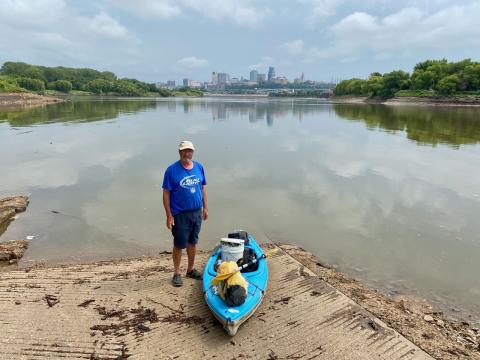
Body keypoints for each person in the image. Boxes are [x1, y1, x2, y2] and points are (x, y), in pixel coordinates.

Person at [162, 140, 208, 287]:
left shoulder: (199, 167)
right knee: (179, 244)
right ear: (179, 152)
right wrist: (169, 215)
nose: (186, 153)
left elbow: (203, 188)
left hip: (196, 213)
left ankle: (190, 269)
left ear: (193, 152)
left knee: (193, 242)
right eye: (184, 151)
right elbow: (166, 194)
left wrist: (205, 208)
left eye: (189, 151)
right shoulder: (171, 170)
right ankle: (176, 273)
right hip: (180, 215)